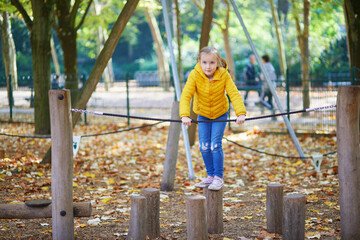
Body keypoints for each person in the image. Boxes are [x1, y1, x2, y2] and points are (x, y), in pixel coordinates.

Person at [179, 46, 246, 191]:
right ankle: (210, 176)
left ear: (217, 63)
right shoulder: (194, 75)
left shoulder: (223, 75)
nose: (207, 66)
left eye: (211, 63)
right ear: (199, 62)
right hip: (203, 113)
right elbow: (186, 95)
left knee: (215, 145)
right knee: (204, 146)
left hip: (219, 113)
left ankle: (218, 177)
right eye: (204, 62)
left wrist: (240, 113)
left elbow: (234, 94)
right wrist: (185, 115)